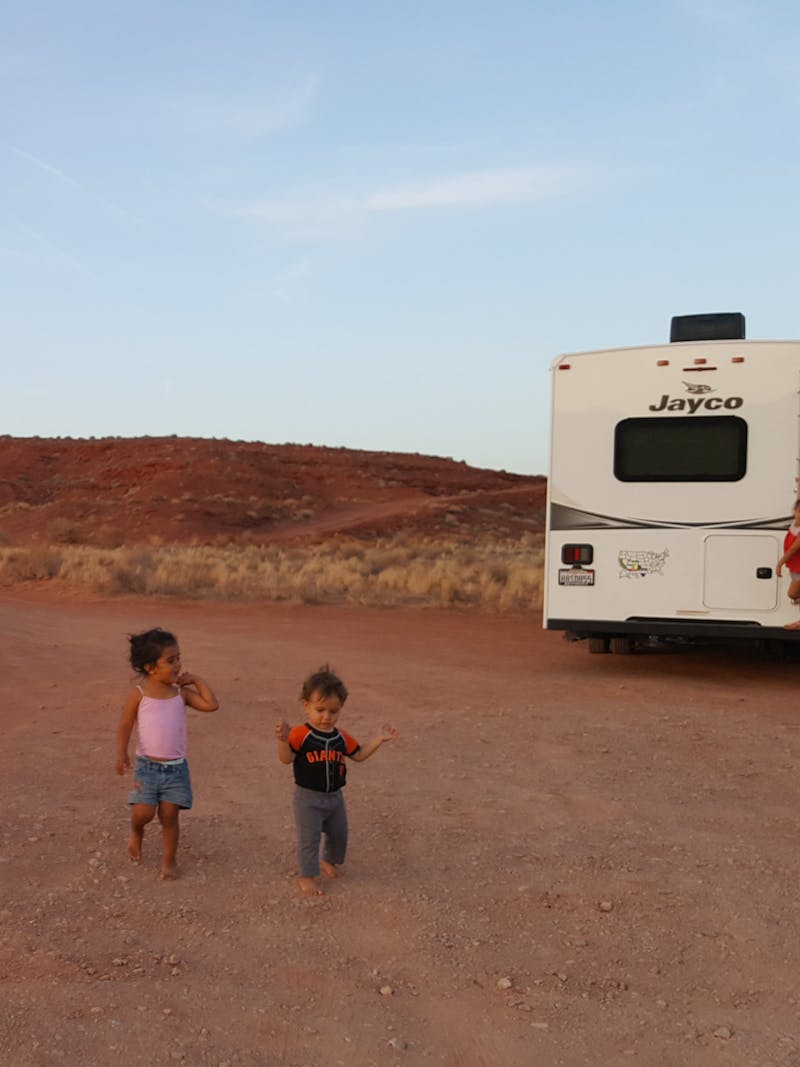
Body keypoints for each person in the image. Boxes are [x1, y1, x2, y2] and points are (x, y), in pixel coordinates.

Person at [275, 665, 399, 896]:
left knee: (339, 833)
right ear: (306, 706)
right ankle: (307, 875)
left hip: (335, 798)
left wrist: (378, 739)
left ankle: (328, 860)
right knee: (309, 838)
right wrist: (283, 740)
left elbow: (359, 754)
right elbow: (286, 759)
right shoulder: (301, 734)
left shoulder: (340, 736)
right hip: (308, 799)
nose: (326, 717)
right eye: (320, 709)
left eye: (333, 711)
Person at [116, 628, 219, 879]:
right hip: (147, 767)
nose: (178, 665)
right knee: (143, 813)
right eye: (171, 661)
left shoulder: (181, 694)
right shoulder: (139, 694)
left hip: (176, 768)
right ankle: (137, 831)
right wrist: (121, 752)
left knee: (169, 816)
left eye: (179, 658)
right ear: (151, 668)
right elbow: (126, 724)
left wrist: (197, 680)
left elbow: (211, 705)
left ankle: (169, 862)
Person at [778, 500, 800, 629]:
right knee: (794, 594)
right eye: (799, 511)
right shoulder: (795, 525)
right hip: (795, 567)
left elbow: (793, 549)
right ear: (794, 512)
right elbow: (798, 500)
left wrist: (779, 563)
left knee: (793, 594)